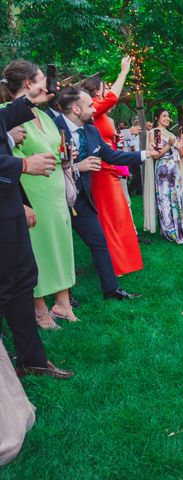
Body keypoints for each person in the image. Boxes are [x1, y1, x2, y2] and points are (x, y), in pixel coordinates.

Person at [0, 85, 73, 380]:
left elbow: (3, 121)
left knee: (24, 282)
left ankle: (34, 360)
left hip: (11, 208)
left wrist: (31, 101)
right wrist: (23, 164)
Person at [54, 87, 154, 299]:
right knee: (61, 247)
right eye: (90, 105)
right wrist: (76, 167)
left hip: (81, 199)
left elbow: (112, 156)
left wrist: (147, 154)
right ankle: (64, 295)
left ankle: (111, 289)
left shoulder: (91, 131)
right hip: (54, 198)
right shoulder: (53, 128)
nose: (94, 109)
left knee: (99, 241)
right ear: (76, 108)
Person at [81, 57, 143, 275]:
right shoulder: (93, 109)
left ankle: (121, 260)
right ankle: (114, 264)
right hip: (100, 170)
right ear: (97, 92)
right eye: (104, 87)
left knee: (119, 214)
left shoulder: (101, 113)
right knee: (110, 216)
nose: (107, 89)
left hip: (111, 166)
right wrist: (123, 72)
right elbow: (112, 98)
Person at [149, 108, 183, 244]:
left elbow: (180, 155)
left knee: (176, 198)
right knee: (164, 199)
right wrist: (169, 145)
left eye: (168, 116)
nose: (167, 118)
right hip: (163, 170)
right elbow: (155, 155)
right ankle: (168, 230)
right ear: (157, 118)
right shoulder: (154, 133)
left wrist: (179, 149)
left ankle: (179, 228)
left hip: (174, 170)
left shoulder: (171, 133)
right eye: (164, 116)